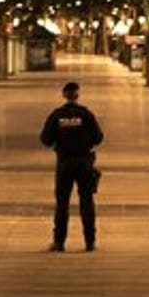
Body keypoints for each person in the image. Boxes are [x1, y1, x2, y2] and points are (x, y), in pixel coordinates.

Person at [39, 81, 103, 252]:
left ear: (64, 95)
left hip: (64, 163)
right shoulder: (86, 114)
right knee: (87, 201)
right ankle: (90, 241)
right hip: (84, 162)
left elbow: (45, 139)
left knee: (62, 203)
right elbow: (98, 138)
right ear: (78, 95)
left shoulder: (57, 115)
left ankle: (59, 242)